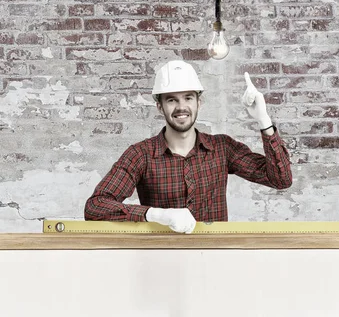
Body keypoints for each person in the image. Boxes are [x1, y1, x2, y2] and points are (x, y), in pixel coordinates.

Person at [84, 60, 293, 233]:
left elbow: (281, 179)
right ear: (160, 106)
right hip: (161, 260)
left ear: (198, 103)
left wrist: (263, 120)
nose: (181, 107)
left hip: (214, 260)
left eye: (188, 98)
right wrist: (155, 214)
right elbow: (95, 207)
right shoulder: (140, 155)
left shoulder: (222, 148)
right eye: (172, 100)